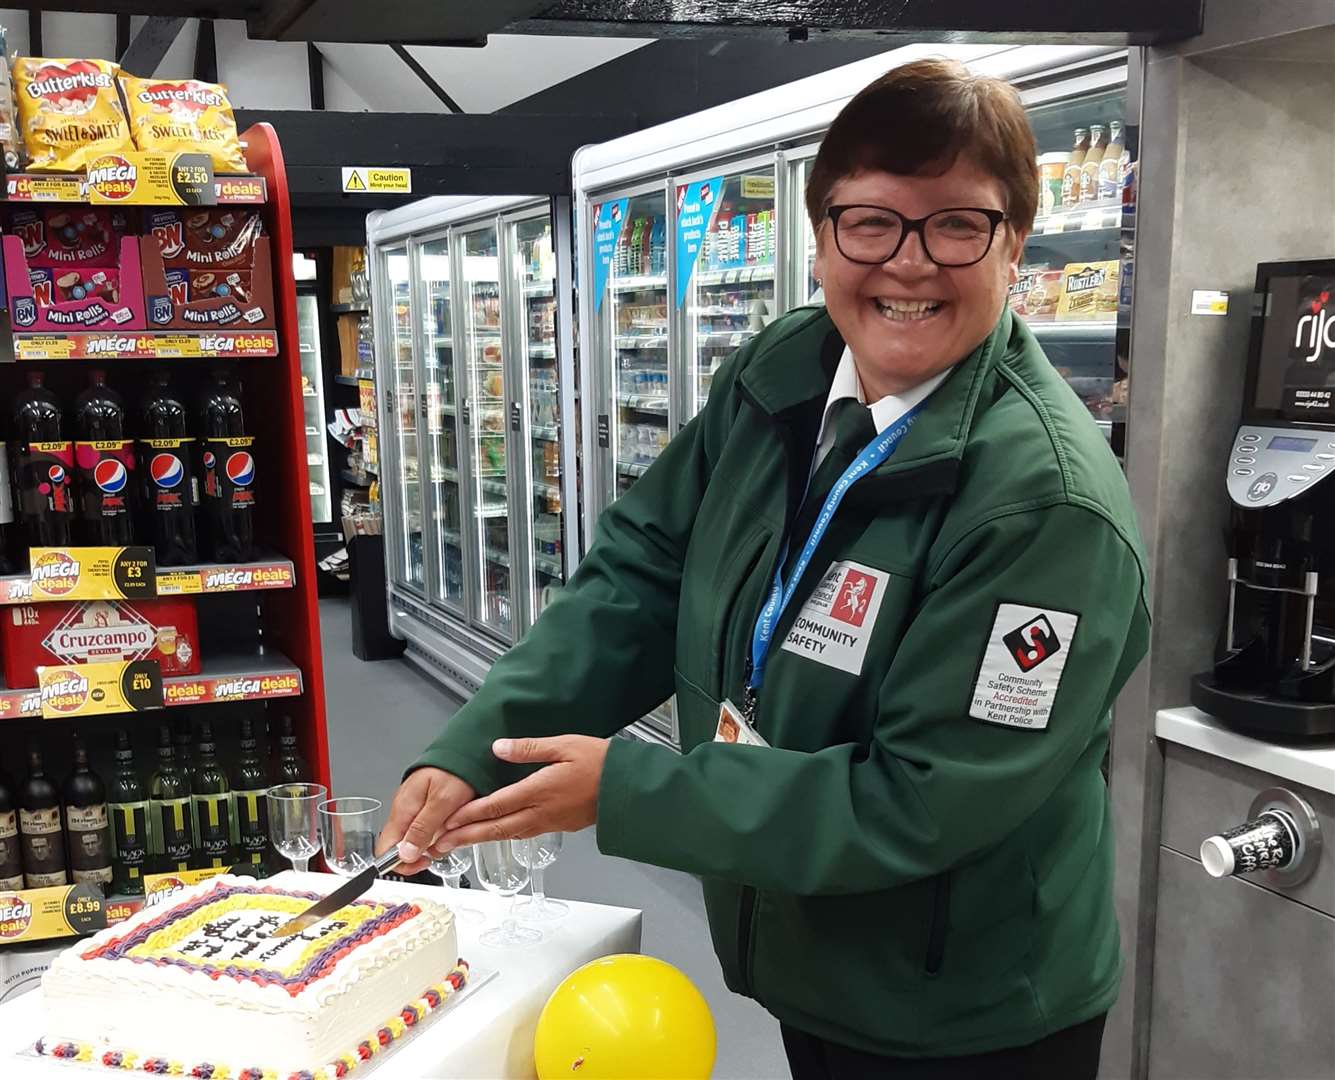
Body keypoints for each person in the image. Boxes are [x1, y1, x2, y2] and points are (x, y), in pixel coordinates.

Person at [379, 57, 1149, 1079]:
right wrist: (480, 746)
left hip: (965, 1008)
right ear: (820, 232)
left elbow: (922, 800)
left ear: (1014, 244)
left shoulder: (1048, 508)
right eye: (871, 221)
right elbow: (643, 573)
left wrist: (634, 790)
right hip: (808, 949)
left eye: (959, 224)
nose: (909, 264)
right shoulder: (781, 370)